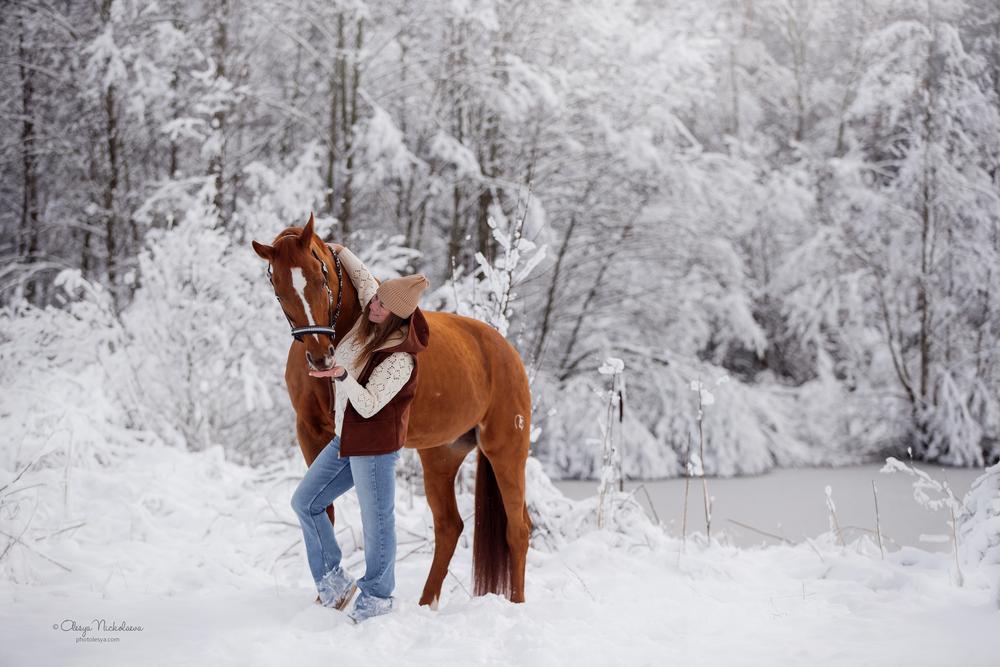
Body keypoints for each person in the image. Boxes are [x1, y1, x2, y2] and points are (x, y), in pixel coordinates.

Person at [290, 246, 429, 623]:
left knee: (376, 522)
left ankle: (378, 597)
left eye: (381, 304)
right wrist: (336, 251)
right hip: (345, 440)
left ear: (396, 315)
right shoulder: (376, 313)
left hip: (374, 448)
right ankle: (334, 582)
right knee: (305, 502)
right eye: (376, 299)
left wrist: (341, 376)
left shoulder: (401, 357)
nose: (372, 305)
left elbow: (368, 405)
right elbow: (367, 281)